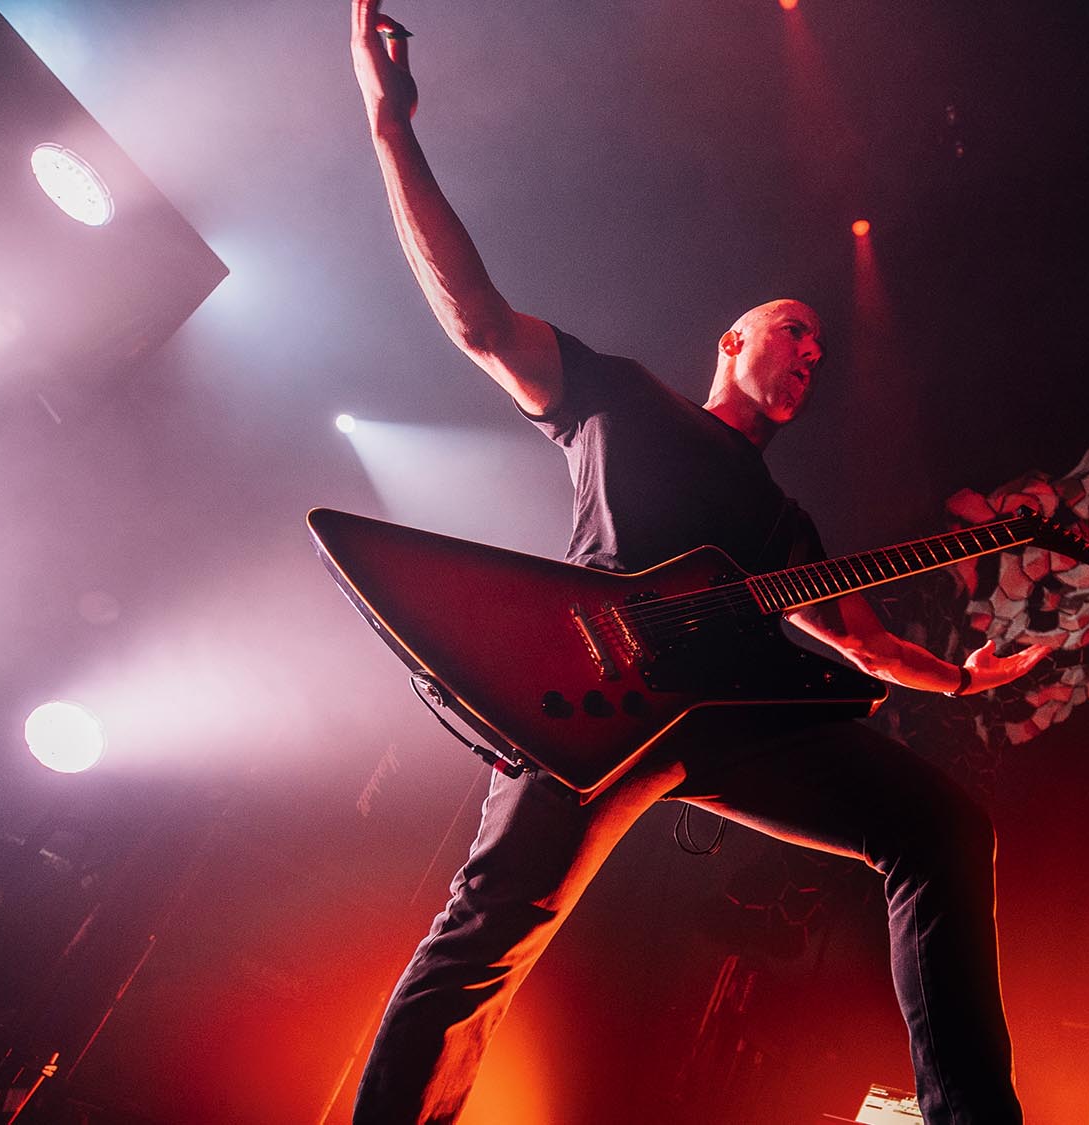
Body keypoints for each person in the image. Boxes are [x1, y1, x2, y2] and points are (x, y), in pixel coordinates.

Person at [348, 4, 1051, 1122]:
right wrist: (392, 132)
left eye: (823, 347)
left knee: (942, 827)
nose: (812, 352)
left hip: (722, 724)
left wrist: (964, 680)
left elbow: (860, 643)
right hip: (592, 700)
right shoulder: (625, 403)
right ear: (732, 342)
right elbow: (476, 317)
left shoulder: (782, 524)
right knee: (483, 943)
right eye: (792, 329)